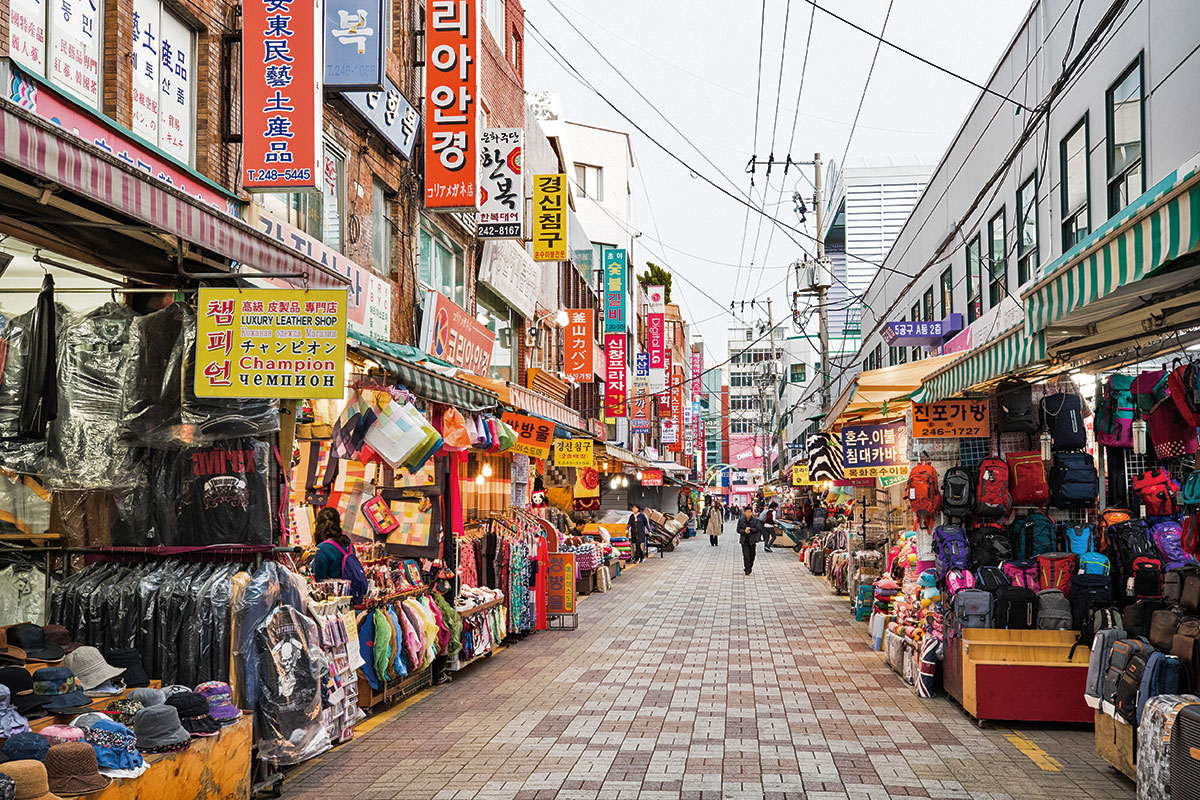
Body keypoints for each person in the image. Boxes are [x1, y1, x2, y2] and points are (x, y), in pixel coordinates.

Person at [310, 508, 353, 581]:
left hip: (332, 591)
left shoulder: (322, 549)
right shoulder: (348, 544)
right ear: (338, 524)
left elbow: (319, 579)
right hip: (351, 590)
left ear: (318, 525)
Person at [737, 506, 760, 575]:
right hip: (744, 540)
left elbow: (757, 529)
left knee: (752, 554)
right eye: (747, 512)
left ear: (751, 512)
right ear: (744, 512)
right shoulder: (741, 520)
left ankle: (749, 566)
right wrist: (744, 531)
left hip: (752, 540)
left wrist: (750, 530)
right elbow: (738, 530)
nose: (748, 513)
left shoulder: (755, 520)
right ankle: (747, 568)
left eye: (749, 512)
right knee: (746, 555)